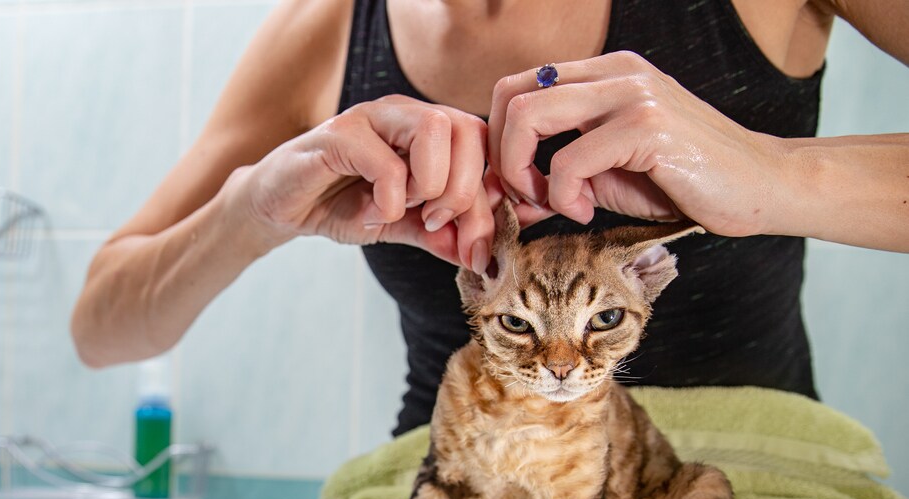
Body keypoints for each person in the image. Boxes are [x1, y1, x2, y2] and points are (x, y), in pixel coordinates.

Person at [71, 0, 909, 437]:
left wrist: (773, 172)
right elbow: (103, 330)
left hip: (756, 485)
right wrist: (254, 209)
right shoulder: (326, 26)